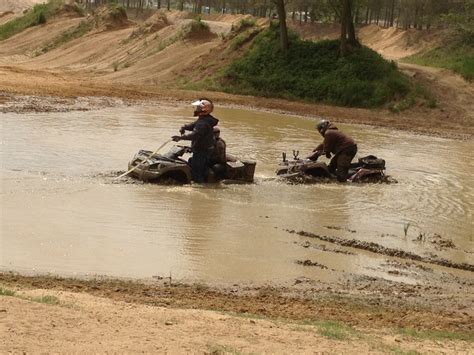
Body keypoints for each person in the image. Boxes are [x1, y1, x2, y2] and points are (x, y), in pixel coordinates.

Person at [172, 98, 219, 183]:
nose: (196, 109)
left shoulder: (203, 123)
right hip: (203, 149)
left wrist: (180, 138)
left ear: (204, 109)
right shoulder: (204, 119)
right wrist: (184, 127)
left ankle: (200, 186)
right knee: (197, 167)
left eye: (198, 108)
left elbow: (194, 135)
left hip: (202, 151)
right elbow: (193, 125)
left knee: (197, 172)